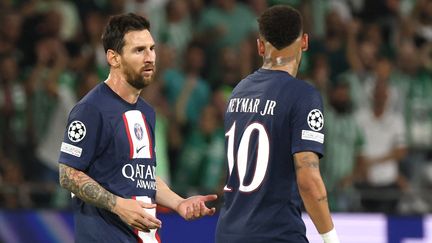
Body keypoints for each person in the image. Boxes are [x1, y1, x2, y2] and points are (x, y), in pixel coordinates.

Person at [58, 13, 217, 243]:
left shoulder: (147, 112)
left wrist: (178, 202)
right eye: (139, 50)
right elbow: (68, 174)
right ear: (113, 58)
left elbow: (143, 176)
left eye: (152, 48)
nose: (150, 57)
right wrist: (118, 205)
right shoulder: (91, 109)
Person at [215, 5, 339, 243]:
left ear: (260, 46)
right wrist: (331, 239)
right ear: (304, 42)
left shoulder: (238, 92)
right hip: (276, 233)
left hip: (228, 232)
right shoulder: (303, 95)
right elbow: (308, 177)